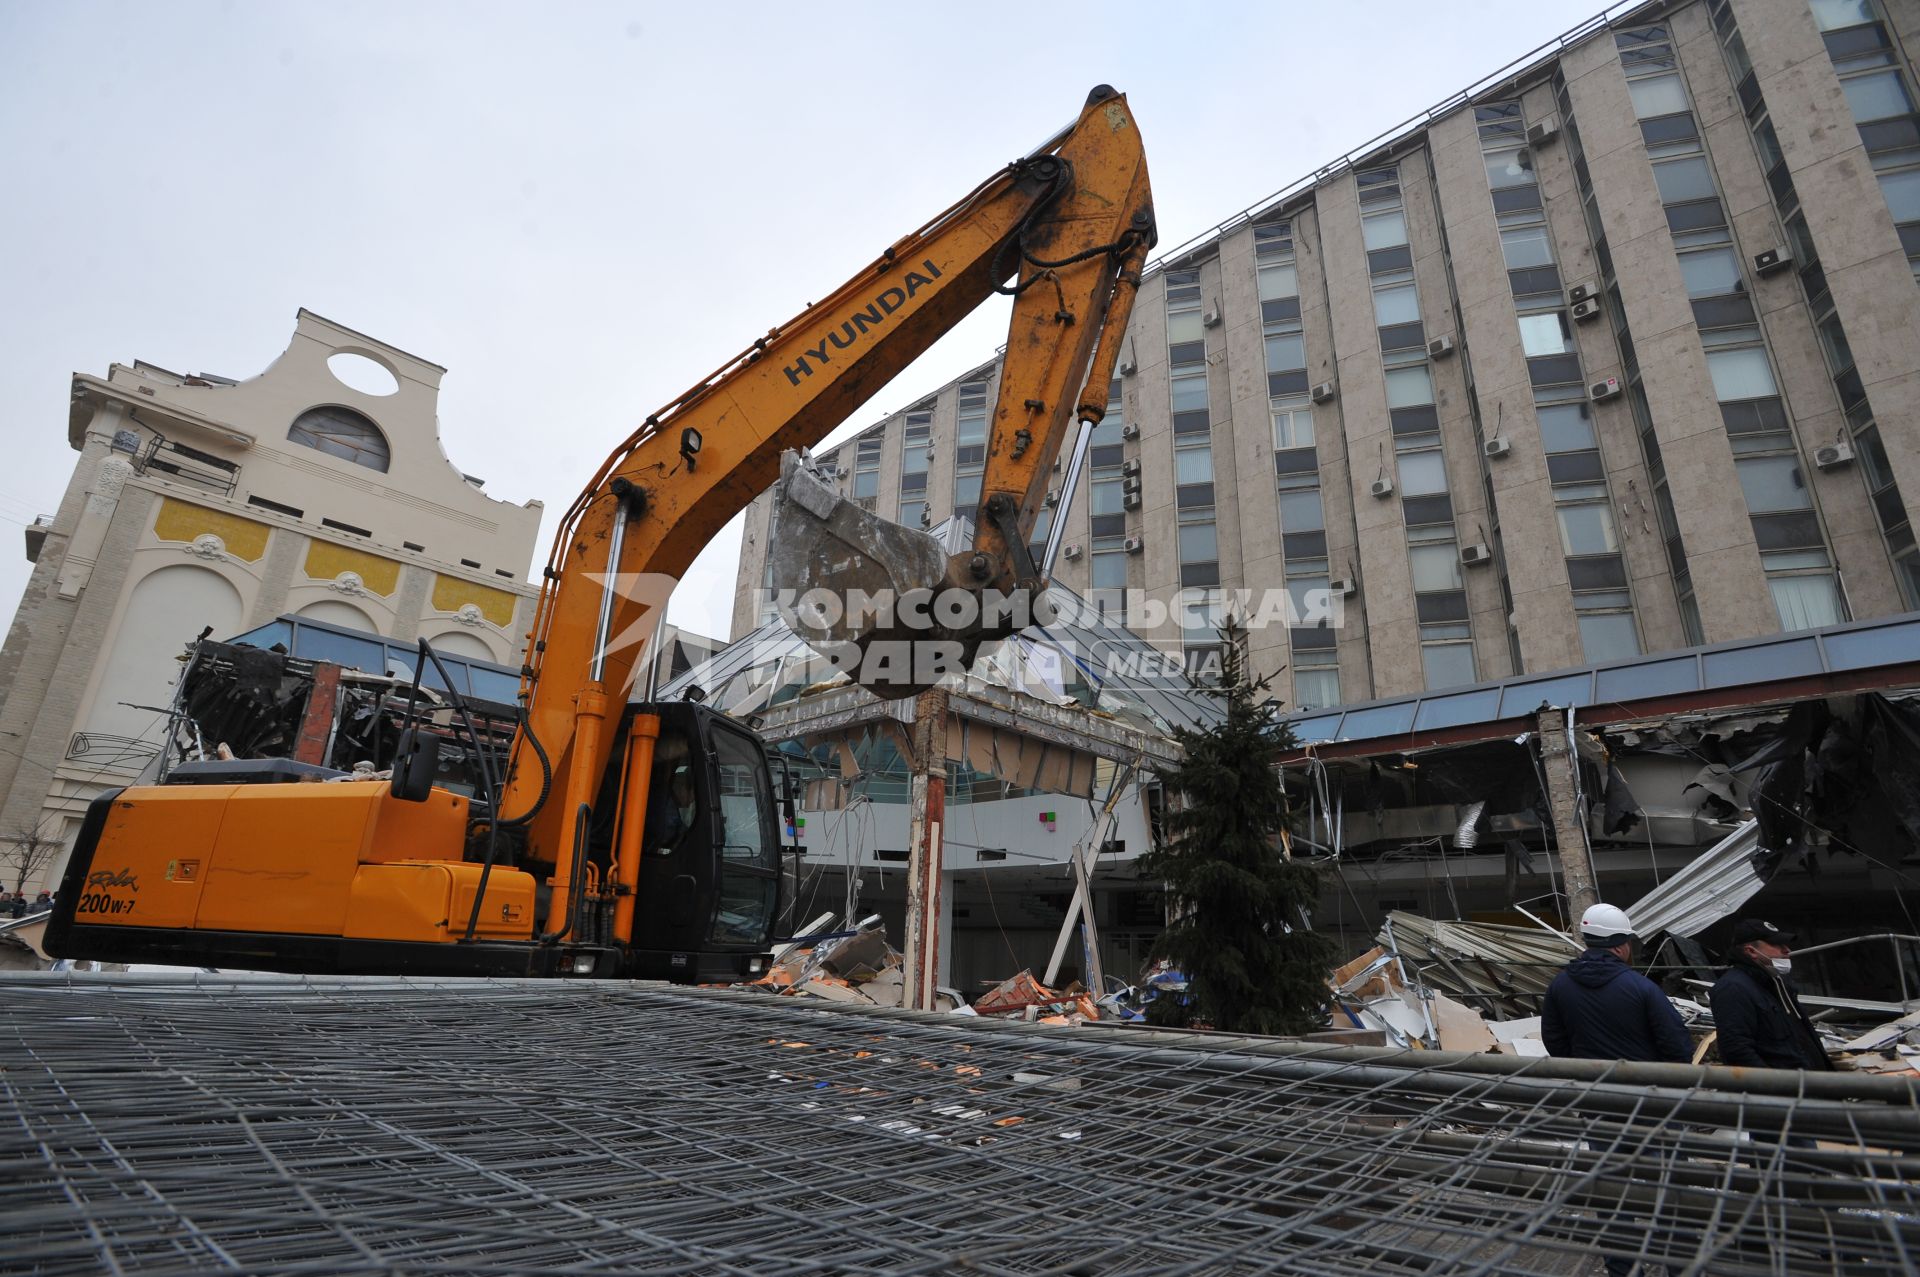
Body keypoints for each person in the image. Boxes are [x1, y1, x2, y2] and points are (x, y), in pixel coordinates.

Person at [1541, 903, 1692, 1064]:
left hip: (1586, 1083)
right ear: (1620, 947)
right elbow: (1676, 1044)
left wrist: (1580, 1068)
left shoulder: (1559, 985)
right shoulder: (1642, 987)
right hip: (1639, 1083)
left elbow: (1553, 1038)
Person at [1710, 919, 1833, 1072]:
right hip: (1784, 1090)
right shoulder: (1733, 989)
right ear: (1751, 951)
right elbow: (1737, 1050)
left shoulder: (1777, 983)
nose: (1786, 949)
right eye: (1777, 945)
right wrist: (1774, 1086)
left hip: (1809, 1084)